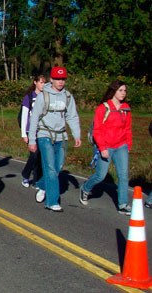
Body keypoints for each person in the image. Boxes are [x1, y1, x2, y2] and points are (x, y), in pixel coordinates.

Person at [28, 66, 81, 212]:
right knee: (50, 168)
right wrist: (32, 140)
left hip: (61, 136)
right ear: (51, 79)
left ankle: (42, 185)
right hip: (45, 135)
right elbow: (34, 118)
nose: (60, 82)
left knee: (58, 167)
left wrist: (76, 134)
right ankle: (52, 202)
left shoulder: (68, 96)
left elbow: (72, 116)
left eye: (63, 79)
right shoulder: (43, 95)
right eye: (57, 79)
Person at [79, 80, 133, 214]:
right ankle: (85, 188)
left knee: (123, 175)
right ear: (113, 91)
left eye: (125, 91)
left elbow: (128, 129)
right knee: (100, 176)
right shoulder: (103, 108)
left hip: (121, 146)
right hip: (105, 146)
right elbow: (97, 130)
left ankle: (123, 204)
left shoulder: (126, 108)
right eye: (120, 90)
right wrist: (102, 148)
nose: (123, 93)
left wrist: (128, 145)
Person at [20, 74, 46, 188]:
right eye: (41, 82)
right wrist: (23, 134)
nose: (43, 85)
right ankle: (26, 175)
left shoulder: (46, 97)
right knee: (34, 155)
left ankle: (36, 180)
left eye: (44, 82)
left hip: (43, 131)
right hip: (31, 131)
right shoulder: (29, 97)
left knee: (40, 157)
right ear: (35, 82)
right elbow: (24, 116)